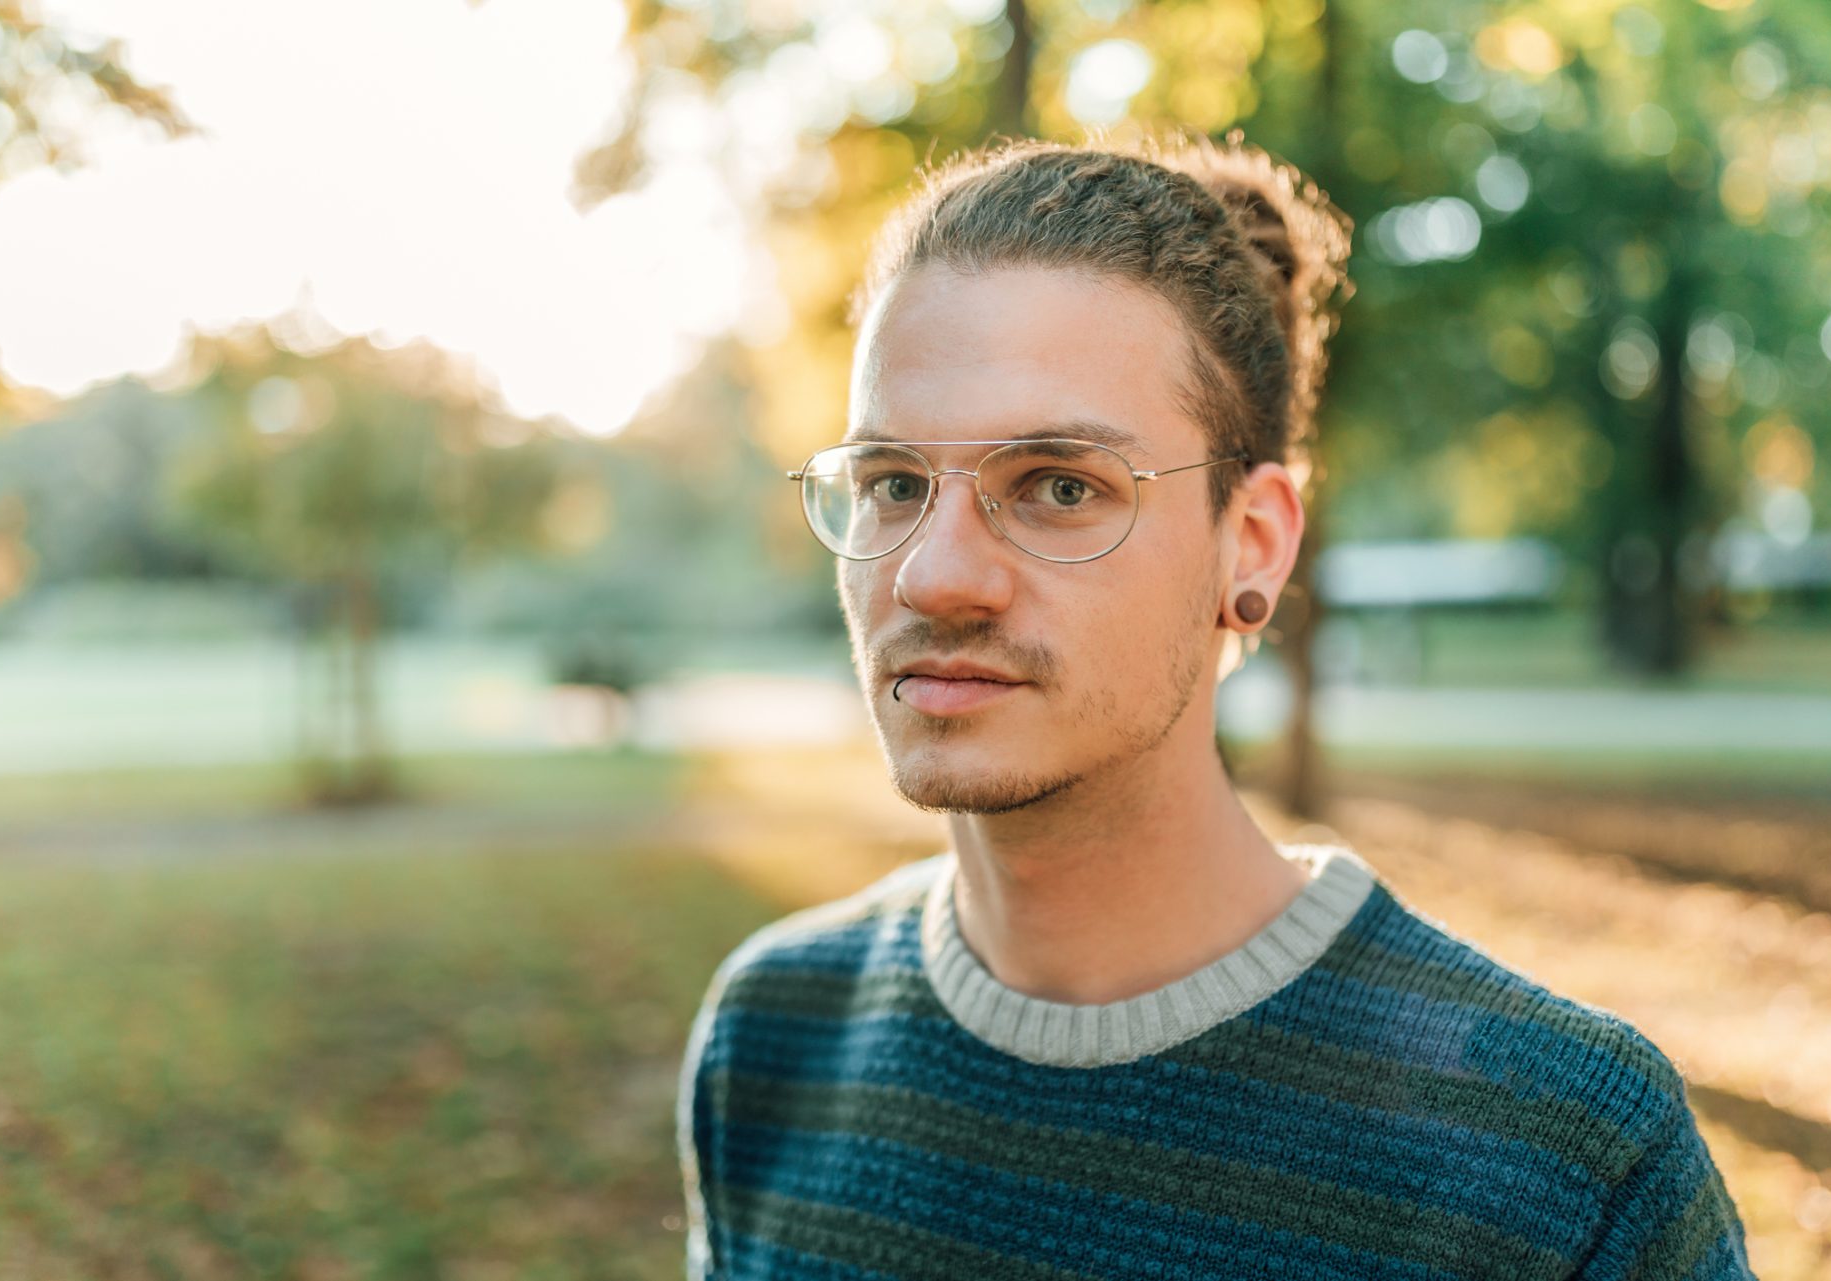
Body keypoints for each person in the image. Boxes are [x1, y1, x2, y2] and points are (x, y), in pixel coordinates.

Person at [675, 130, 1755, 1280]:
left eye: (1057, 488)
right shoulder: (772, 1040)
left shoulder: (1565, 1166)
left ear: (1252, 546)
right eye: (894, 482)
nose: (935, 574)